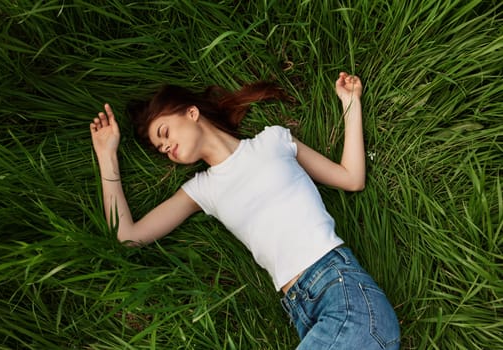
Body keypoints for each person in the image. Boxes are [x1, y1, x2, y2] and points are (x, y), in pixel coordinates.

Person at [89, 72, 401, 349]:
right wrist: (107, 156)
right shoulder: (202, 190)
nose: (166, 148)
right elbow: (128, 236)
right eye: (160, 149)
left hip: (346, 296)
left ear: (192, 112)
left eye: (165, 133)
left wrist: (350, 103)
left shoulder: (273, 141)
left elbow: (351, 178)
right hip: (303, 312)